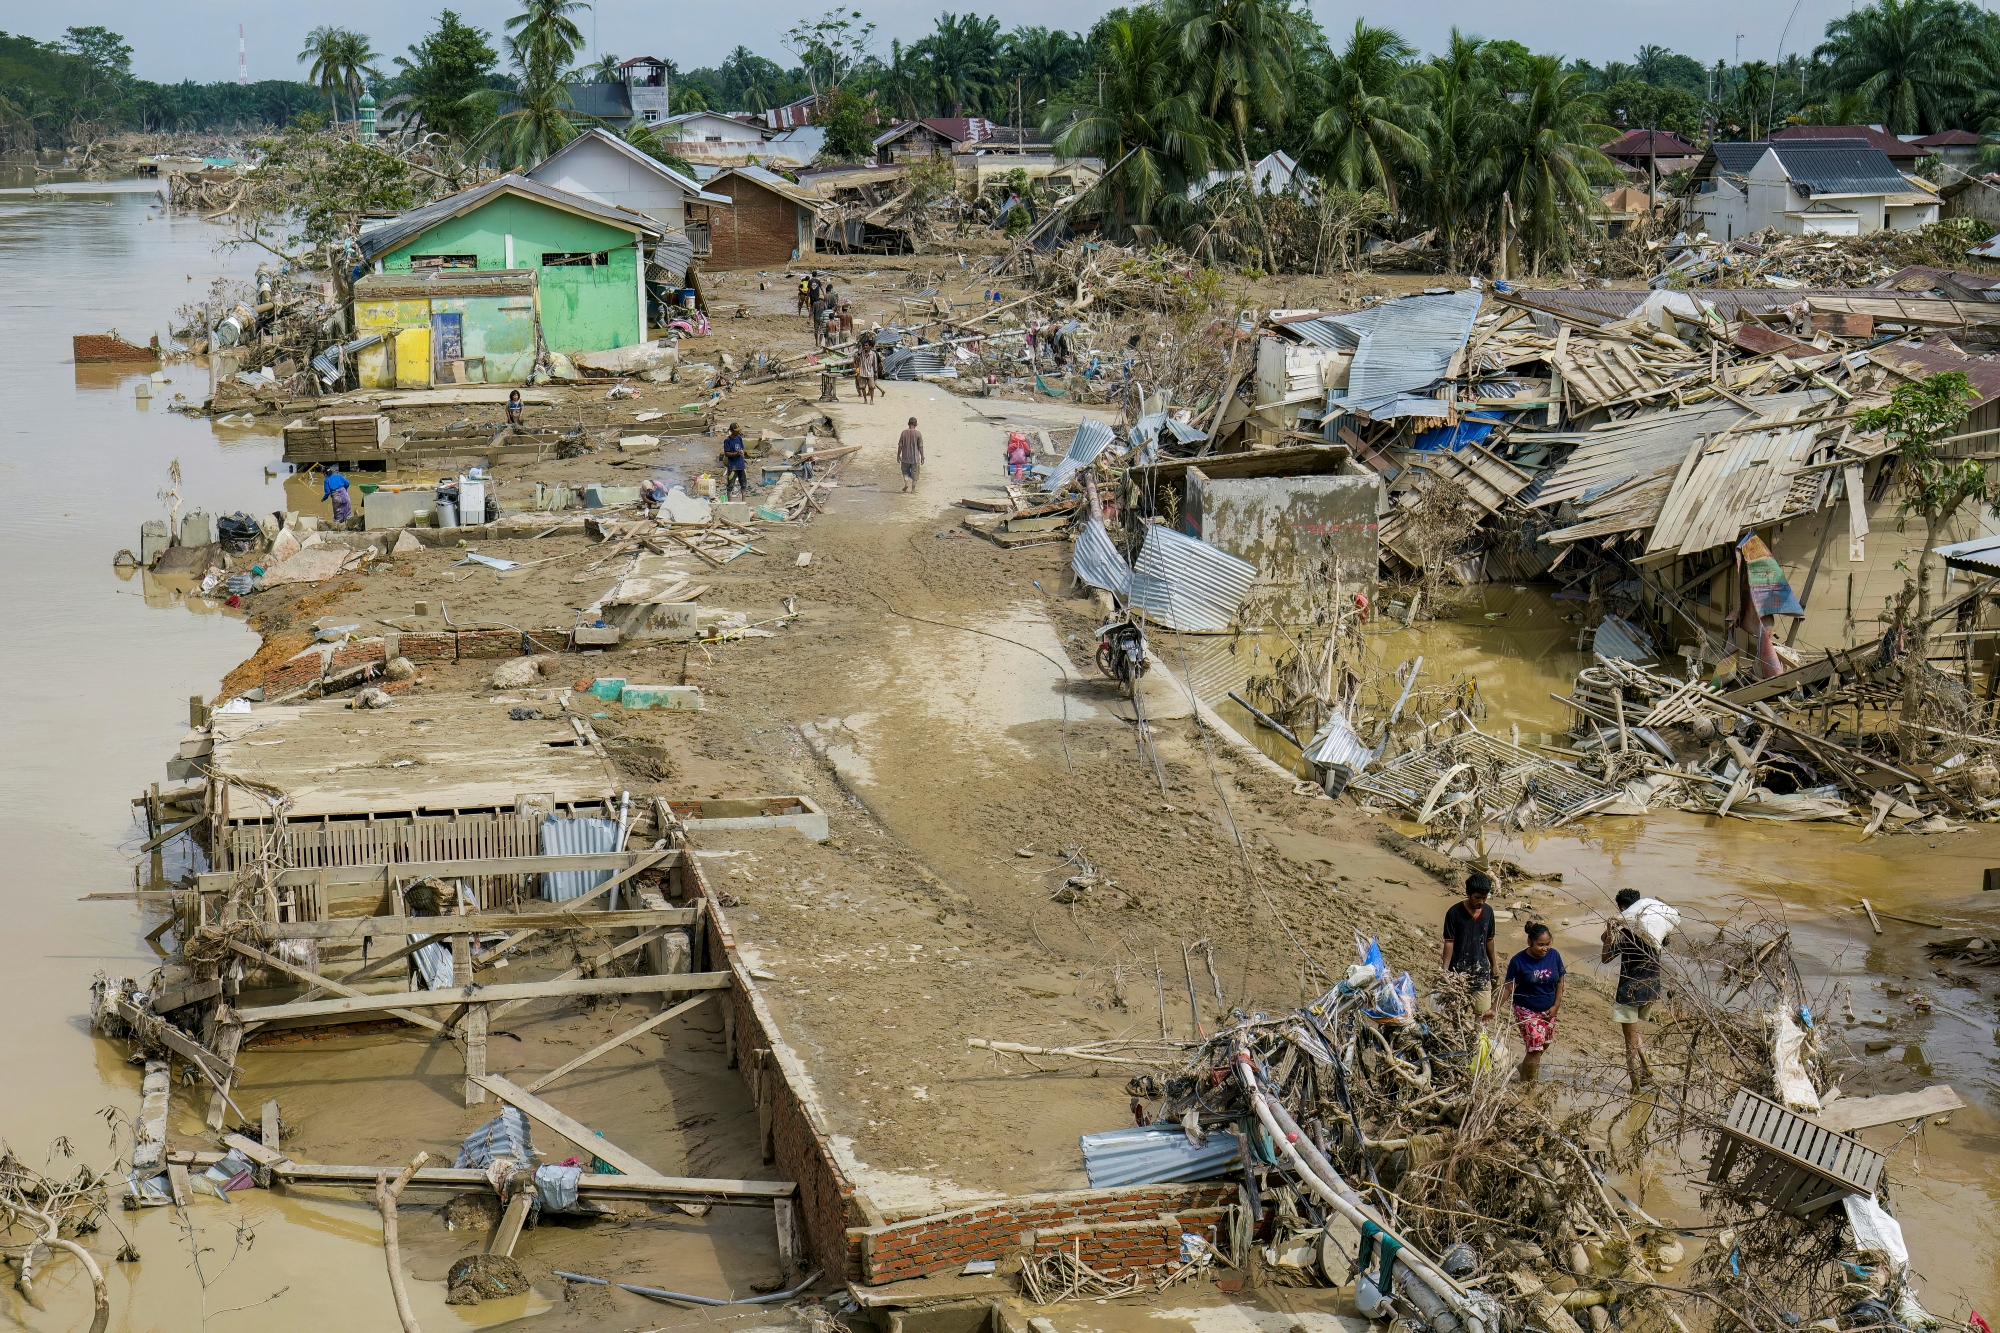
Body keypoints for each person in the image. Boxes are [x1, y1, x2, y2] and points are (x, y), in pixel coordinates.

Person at [1603, 888, 1665, 1092]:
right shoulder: (1653, 930)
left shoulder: (1627, 933)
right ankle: (1647, 1069)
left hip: (1629, 991)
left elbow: (1605, 958)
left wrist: (1611, 929)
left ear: (1621, 909)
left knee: (1629, 1042)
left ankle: (1636, 1086)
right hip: (1650, 988)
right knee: (1635, 1031)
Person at [1498, 922, 1566, 1082]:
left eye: (1547, 944)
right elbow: (1508, 987)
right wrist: (1494, 1009)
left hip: (1549, 1009)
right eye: (1540, 945)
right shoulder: (1518, 961)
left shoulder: (1554, 955)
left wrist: (1556, 1006)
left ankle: (1524, 1068)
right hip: (1526, 1009)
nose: (1545, 948)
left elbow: (1560, 982)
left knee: (1544, 1045)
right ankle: (1531, 1087)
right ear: (1530, 942)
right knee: (1535, 1050)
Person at [1440, 871, 1499, 1019]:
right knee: (1454, 1013)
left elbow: (1489, 940)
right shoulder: (1454, 913)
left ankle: (1477, 1039)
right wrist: (1445, 969)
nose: (1481, 902)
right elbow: (1449, 941)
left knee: (1482, 1013)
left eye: (1484, 898)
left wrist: (1493, 964)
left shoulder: (1489, 912)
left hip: (1481, 971)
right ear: (1468, 894)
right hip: (1458, 971)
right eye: (1477, 898)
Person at [896, 417, 924, 493]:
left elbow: (900, 446)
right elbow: (920, 446)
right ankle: (913, 489)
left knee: (905, 472)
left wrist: (898, 455)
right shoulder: (918, 434)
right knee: (915, 474)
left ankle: (906, 484)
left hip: (905, 458)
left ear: (908, 423)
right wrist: (922, 456)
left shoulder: (903, 433)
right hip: (915, 458)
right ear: (916, 424)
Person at [722, 423, 749, 500]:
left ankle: (744, 501)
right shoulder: (727, 441)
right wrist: (737, 453)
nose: (737, 432)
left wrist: (742, 457)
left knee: (743, 484)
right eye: (736, 431)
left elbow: (742, 449)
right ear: (731, 431)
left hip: (741, 465)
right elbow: (726, 453)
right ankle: (730, 502)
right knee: (730, 485)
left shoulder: (739, 438)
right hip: (733, 466)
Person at [853, 339, 878, 404]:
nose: (865, 347)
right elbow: (855, 360)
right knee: (863, 387)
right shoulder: (861, 353)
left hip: (870, 373)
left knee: (872, 387)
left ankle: (872, 400)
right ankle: (865, 399)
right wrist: (858, 354)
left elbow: (875, 364)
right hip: (862, 373)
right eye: (864, 346)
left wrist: (876, 372)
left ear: (870, 346)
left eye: (866, 345)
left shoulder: (873, 354)